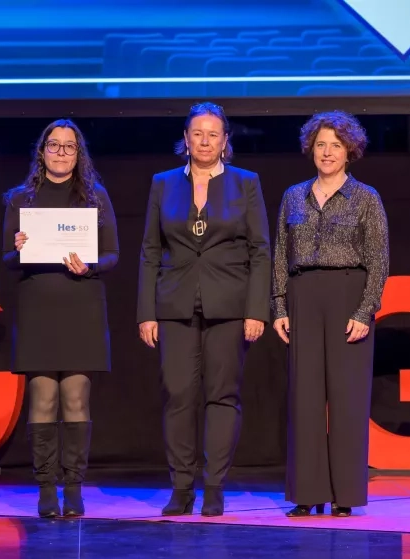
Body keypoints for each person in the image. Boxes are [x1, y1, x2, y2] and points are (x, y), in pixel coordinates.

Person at [137, 102, 271, 517]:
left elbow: (260, 250)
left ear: (225, 140)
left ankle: (214, 485)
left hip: (229, 305)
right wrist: (146, 312)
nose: (206, 140)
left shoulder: (246, 183)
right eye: (198, 133)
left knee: (222, 396)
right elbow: (149, 250)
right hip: (174, 304)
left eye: (214, 134)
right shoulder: (163, 183)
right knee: (178, 395)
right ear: (186, 138)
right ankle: (181, 487)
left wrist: (256, 310)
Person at [271, 110, 389, 518]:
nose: (327, 152)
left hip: (347, 296)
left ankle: (345, 495)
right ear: (311, 148)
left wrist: (365, 310)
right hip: (303, 294)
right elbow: (281, 256)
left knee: (347, 399)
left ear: (349, 150)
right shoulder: (293, 196)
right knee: (304, 398)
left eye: (335, 145)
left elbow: (378, 260)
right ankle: (307, 492)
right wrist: (280, 306)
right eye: (321, 144)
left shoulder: (366, 198)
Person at [2, 119, 119, 518]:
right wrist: (17, 248)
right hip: (38, 310)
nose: (62, 153)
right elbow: (6, 258)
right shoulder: (22, 199)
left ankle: (74, 486)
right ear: (42, 150)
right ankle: (46, 487)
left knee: (74, 398)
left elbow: (112, 254)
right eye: (55, 145)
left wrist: (90, 266)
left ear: (78, 153)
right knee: (44, 399)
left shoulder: (95, 196)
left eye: (70, 147)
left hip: (81, 308)